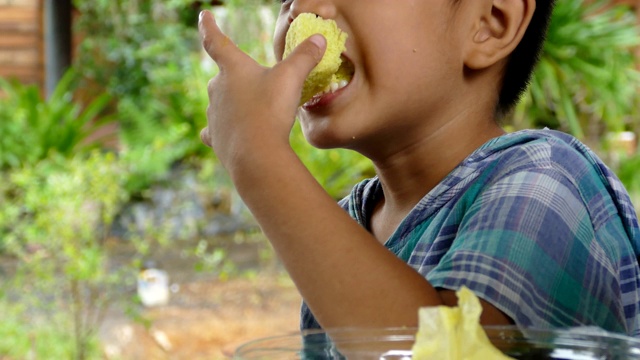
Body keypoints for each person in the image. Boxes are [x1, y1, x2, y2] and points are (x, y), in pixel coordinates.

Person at [198, 0, 640, 336]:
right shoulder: (350, 223)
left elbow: (453, 350)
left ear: (489, 23)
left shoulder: (547, 181)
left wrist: (259, 159)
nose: (302, 11)